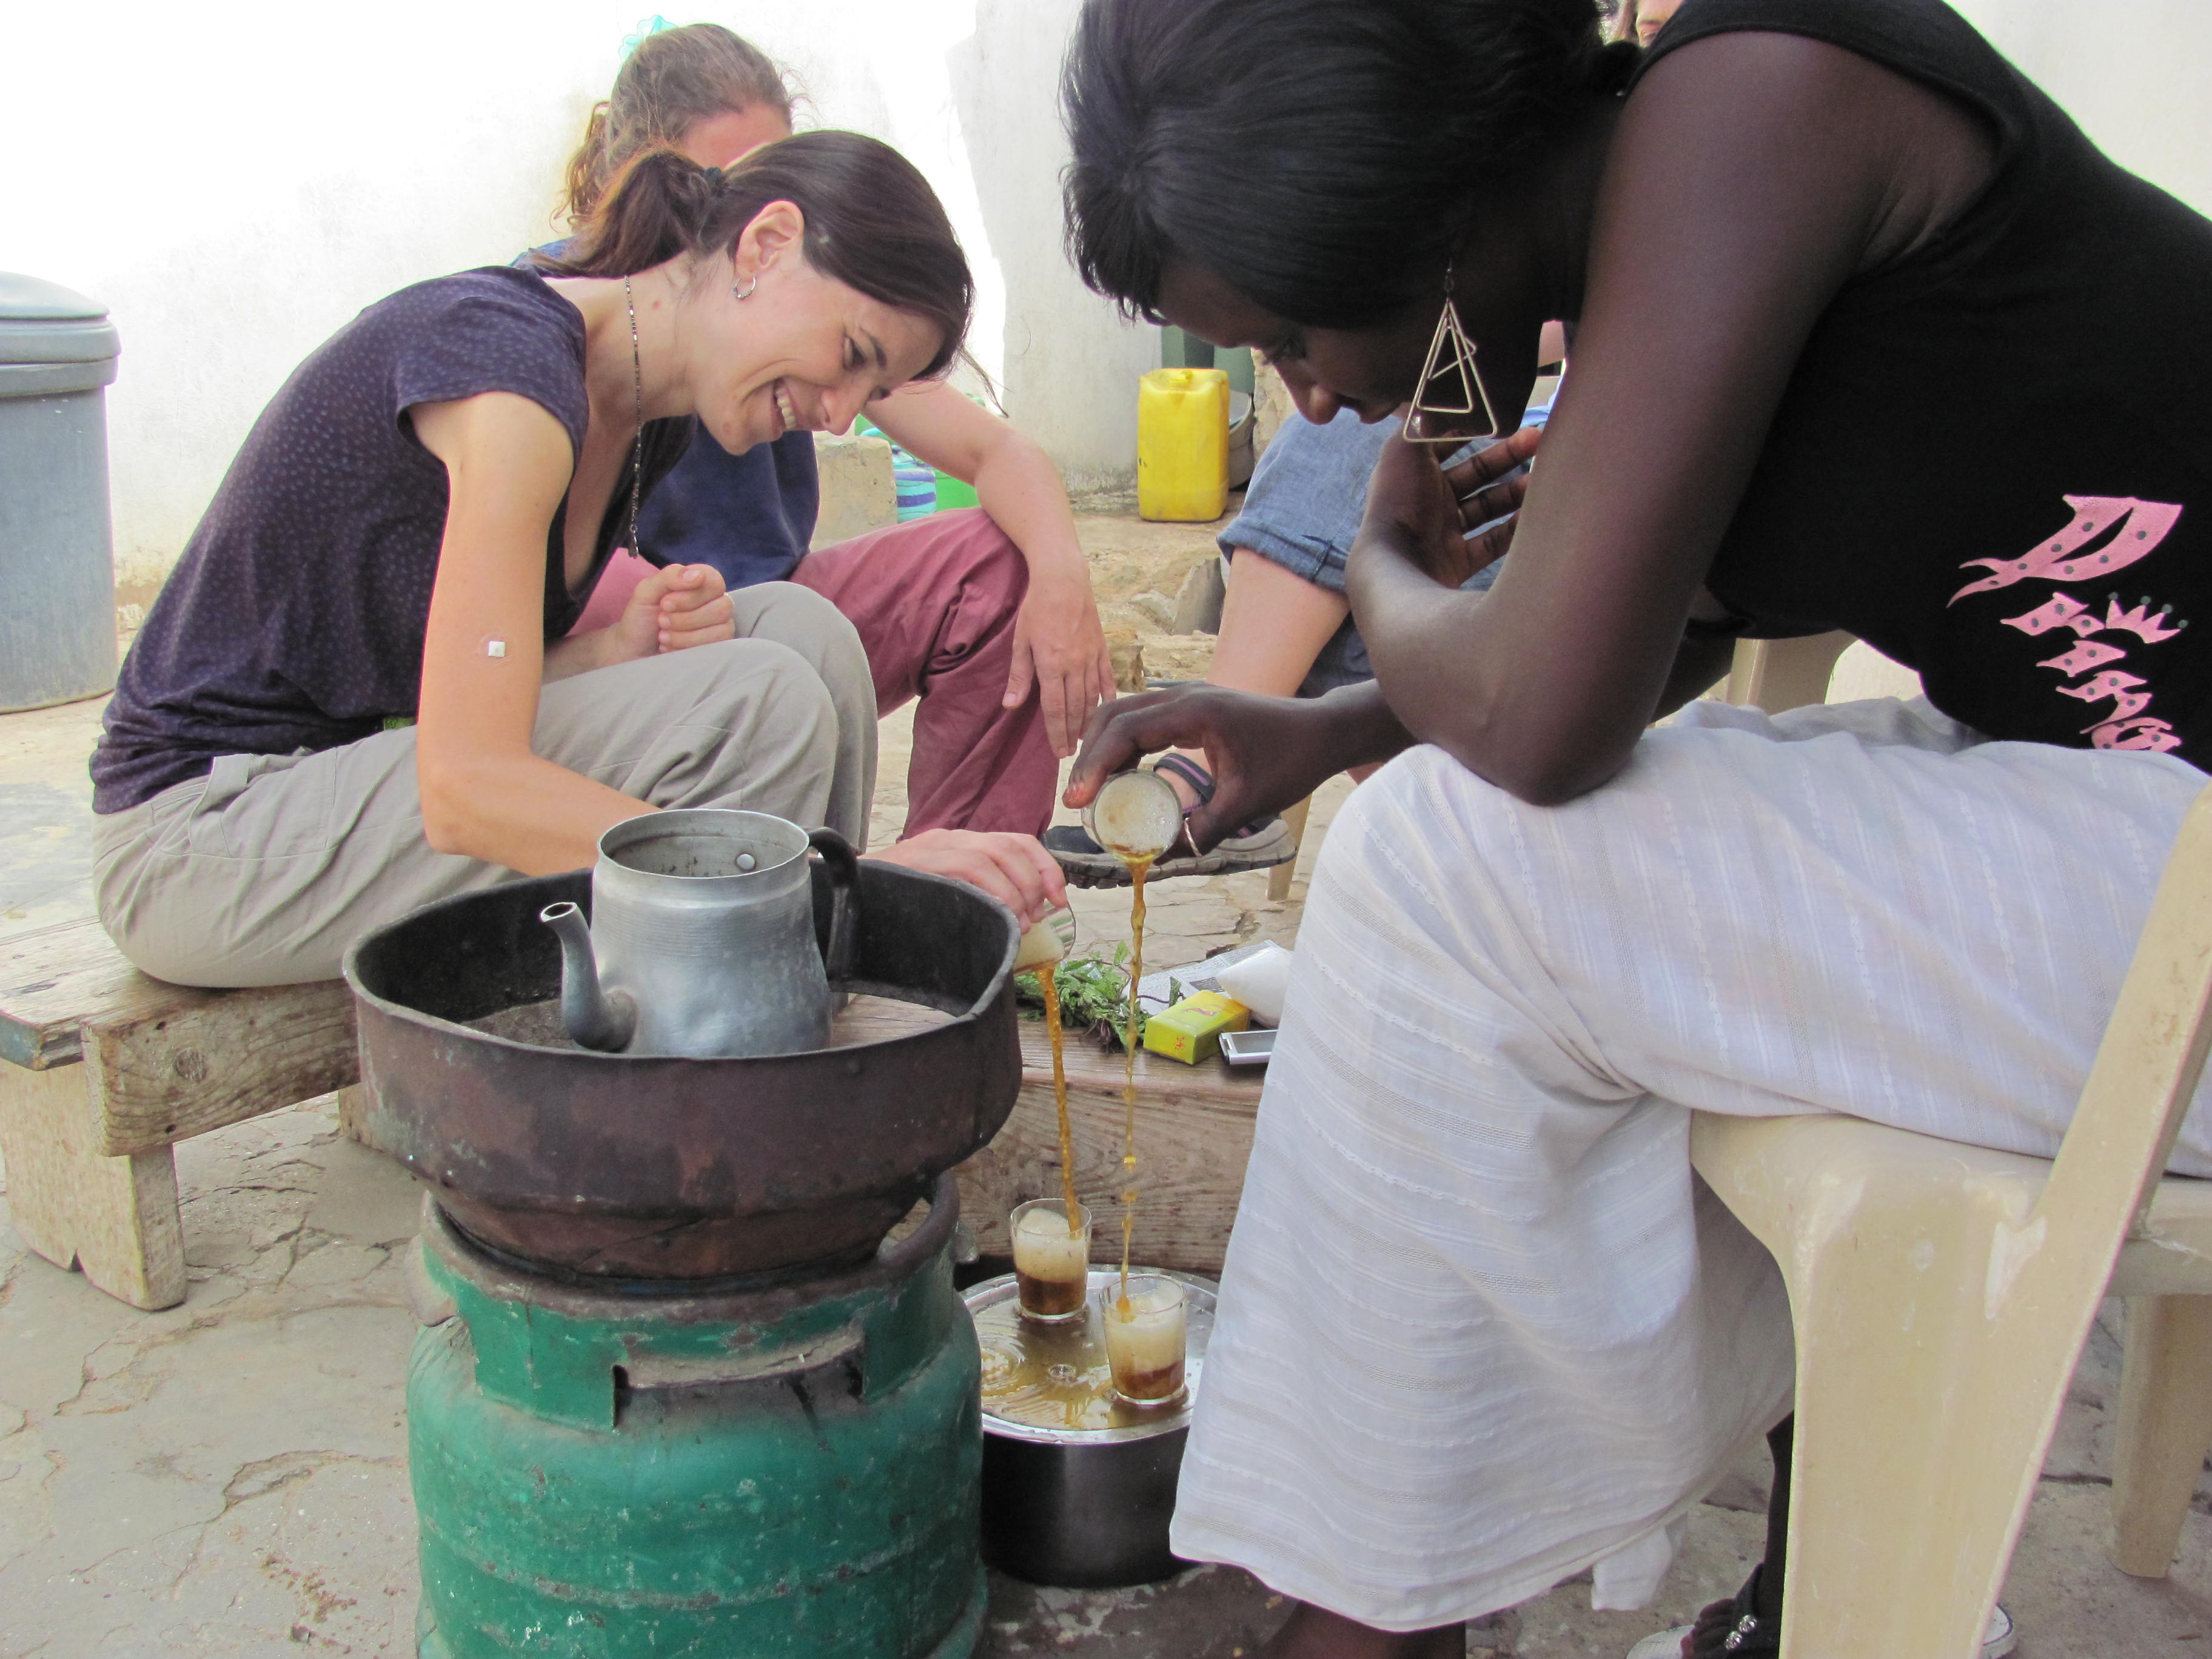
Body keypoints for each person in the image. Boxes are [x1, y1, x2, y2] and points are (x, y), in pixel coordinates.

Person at [1059, 0, 2212, 1656]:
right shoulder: (1639, 251)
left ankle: (1374, 1622)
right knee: (1507, 886)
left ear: (1441, 231)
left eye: (1300, 336)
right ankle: (1780, 1594)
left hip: (2178, 883)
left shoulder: (1762, 104)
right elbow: (1650, 631)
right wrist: (1325, 733)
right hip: (2120, 838)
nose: (1307, 401)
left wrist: (1376, 583)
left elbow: (1541, 713)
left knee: (1457, 869)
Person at [90, 131, 1064, 989]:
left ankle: (792, 986)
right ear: (764, 246)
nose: (845, 412)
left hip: (346, 778)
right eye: (853, 352)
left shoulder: (647, 418)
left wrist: (613, 656)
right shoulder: (513, 382)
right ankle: (777, 979)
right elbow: (468, 788)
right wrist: (849, 878)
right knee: (759, 694)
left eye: (878, 386)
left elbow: (433, 698)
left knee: (799, 632)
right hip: (204, 833)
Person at [545, 21, 1114, 839]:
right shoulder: (562, 321)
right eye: (722, 184)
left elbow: (997, 450)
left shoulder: (811, 321)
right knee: (749, 659)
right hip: (639, 634)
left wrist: (1062, 575)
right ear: (649, 175)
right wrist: (663, 612)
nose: (746, 218)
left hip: (780, 604)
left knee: (992, 564)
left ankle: (969, 898)